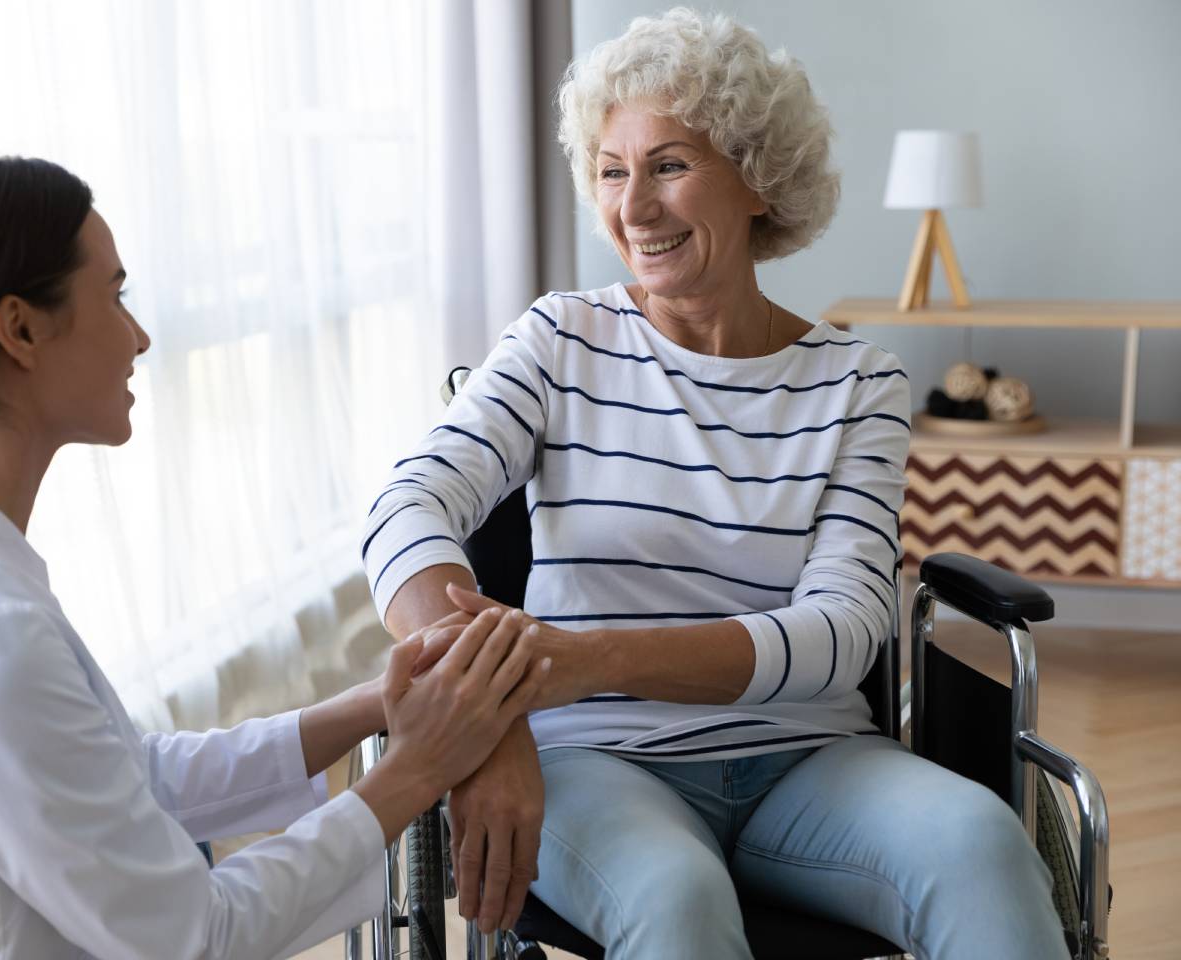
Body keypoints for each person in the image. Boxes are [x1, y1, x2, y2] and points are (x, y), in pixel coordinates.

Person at [362, 10, 1069, 959]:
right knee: (677, 899)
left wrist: (587, 661)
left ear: (757, 177)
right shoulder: (560, 341)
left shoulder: (859, 384)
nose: (634, 208)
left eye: (669, 165)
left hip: (812, 762)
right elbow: (406, 506)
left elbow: (844, 630)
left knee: (982, 845)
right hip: (593, 761)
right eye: (612, 171)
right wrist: (487, 719)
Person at [0, 153, 549, 960]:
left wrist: (374, 710)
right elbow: (196, 937)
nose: (139, 335)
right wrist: (415, 773)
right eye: (114, 295)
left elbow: (132, 779)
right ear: (20, 330)